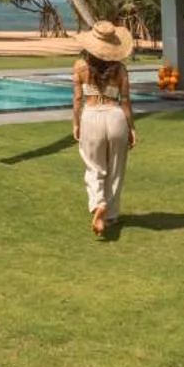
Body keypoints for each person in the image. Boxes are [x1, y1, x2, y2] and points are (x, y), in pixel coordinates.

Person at [71, 19, 137, 236]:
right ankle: (110, 215)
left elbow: (78, 100)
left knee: (94, 166)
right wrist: (132, 128)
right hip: (115, 117)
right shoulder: (120, 69)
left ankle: (98, 203)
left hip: (91, 117)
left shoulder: (80, 67)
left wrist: (76, 123)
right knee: (116, 169)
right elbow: (125, 100)